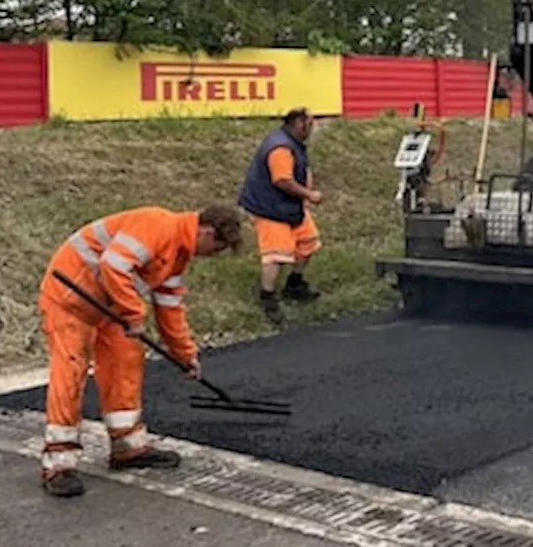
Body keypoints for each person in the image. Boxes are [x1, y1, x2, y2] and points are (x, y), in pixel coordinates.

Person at [37, 204, 243, 497]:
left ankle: (127, 447)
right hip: (69, 299)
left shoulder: (178, 255)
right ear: (207, 232)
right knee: (71, 371)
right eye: (217, 248)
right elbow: (113, 265)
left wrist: (185, 354)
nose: (214, 255)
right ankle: (58, 462)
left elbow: (170, 308)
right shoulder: (158, 225)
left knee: (126, 362)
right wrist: (134, 314)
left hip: (109, 306)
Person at [238, 107, 324, 325]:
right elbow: (282, 180)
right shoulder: (280, 148)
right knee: (275, 255)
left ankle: (295, 284)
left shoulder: (291, 142)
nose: (312, 129)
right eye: (310, 124)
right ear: (299, 123)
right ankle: (268, 298)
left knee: (308, 243)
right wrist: (309, 194)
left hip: (290, 206)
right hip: (270, 208)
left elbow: (301, 169)